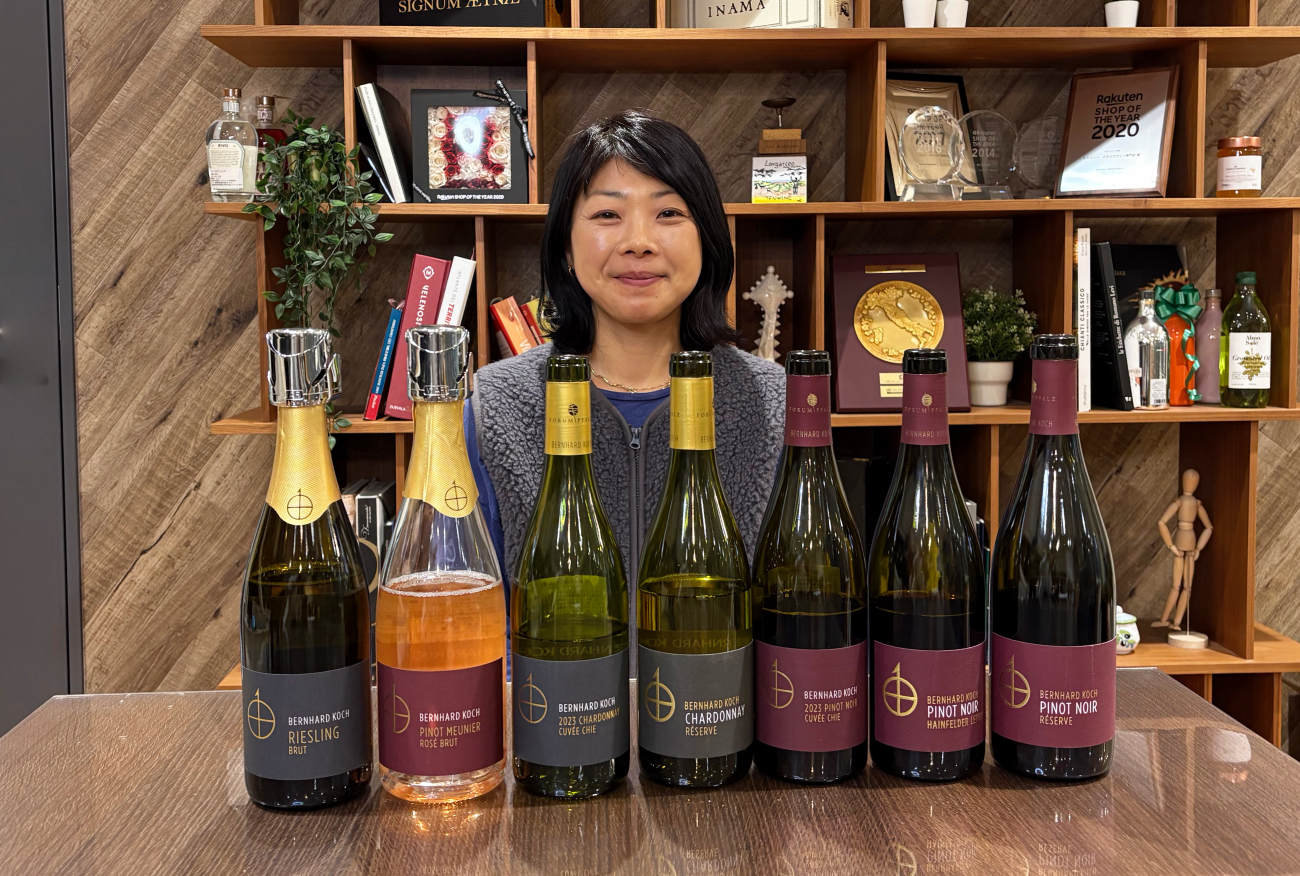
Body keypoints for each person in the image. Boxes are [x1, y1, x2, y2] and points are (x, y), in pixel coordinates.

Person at [466, 111, 785, 623]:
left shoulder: (773, 402)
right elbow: (473, 616)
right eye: (607, 215)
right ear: (566, 247)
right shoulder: (497, 405)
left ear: (706, 238)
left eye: (669, 213)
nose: (639, 241)